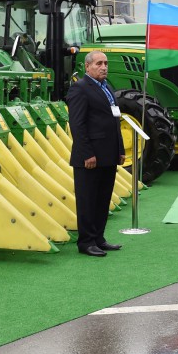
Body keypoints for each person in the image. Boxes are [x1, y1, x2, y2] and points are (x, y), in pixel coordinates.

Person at [67, 50, 126, 257]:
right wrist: (87, 153)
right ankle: (86, 242)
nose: (103, 67)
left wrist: (120, 150)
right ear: (87, 66)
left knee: (103, 199)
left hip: (108, 155)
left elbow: (115, 122)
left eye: (106, 63)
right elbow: (77, 124)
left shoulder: (107, 88)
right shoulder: (80, 89)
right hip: (89, 157)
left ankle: (99, 238)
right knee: (88, 201)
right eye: (99, 63)